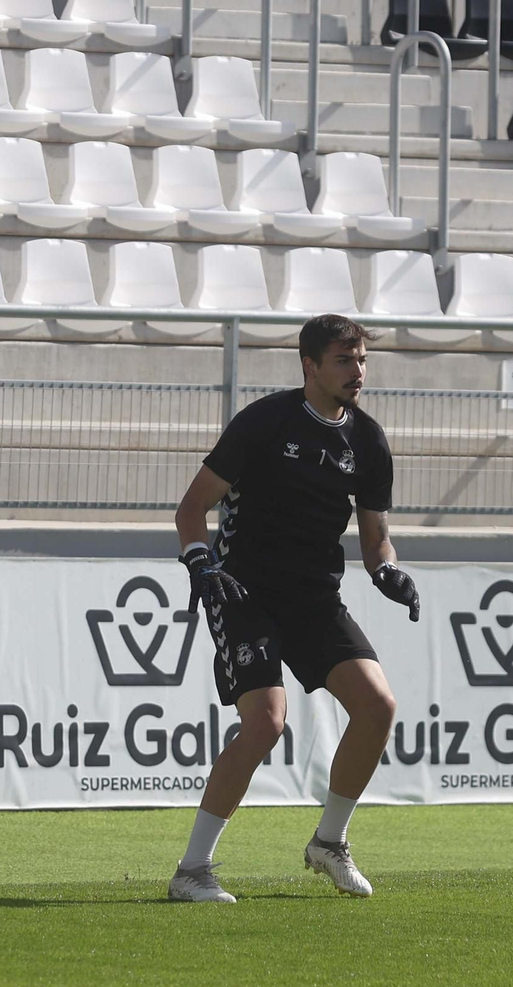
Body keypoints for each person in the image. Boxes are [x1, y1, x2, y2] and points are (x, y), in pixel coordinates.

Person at [168, 313, 420, 903]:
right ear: (309, 366)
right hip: (242, 592)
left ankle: (328, 844)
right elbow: (191, 509)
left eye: (361, 360)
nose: (357, 372)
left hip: (314, 598)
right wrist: (200, 563)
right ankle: (192, 871)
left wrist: (387, 570)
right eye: (343, 360)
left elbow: (375, 537)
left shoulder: (368, 440)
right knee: (266, 724)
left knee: (378, 705)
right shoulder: (263, 422)